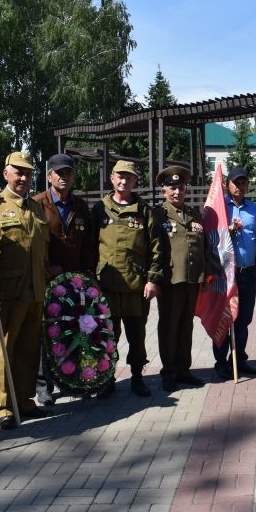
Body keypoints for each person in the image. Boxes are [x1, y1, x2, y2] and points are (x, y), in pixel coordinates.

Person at [0, 151, 50, 429]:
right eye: (18, 172)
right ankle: (4, 406)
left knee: (28, 350)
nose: (24, 178)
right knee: (4, 350)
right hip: (7, 294)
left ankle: (24, 400)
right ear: (6, 174)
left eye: (27, 173)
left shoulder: (36, 208)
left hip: (35, 292)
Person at [91, 160, 162, 398]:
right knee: (107, 336)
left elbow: (157, 248)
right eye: (120, 176)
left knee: (137, 335)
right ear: (112, 178)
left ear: (134, 181)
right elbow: (90, 246)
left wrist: (152, 280)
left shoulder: (144, 211)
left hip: (135, 287)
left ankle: (137, 377)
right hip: (107, 287)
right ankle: (107, 378)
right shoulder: (99, 209)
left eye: (129, 177)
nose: (124, 181)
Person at [32, 153, 95, 405]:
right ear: (49, 176)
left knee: (71, 331)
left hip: (74, 282)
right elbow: (34, 244)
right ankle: (43, 386)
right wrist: (47, 268)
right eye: (59, 173)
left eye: (68, 173)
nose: (63, 177)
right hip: (47, 280)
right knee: (45, 332)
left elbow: (88, 244)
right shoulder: (37, 203)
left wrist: (88, 275)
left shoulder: (80, 206)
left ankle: (69, 380)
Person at [154, 165, 214, 392]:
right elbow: (153, 248)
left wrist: (206, 272)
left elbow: (205, 245)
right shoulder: (157, 214)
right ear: (164, 191)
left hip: (192, 279)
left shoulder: (193, 213)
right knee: (169, 326)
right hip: (170, 280)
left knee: (185, 326)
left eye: (180, 187)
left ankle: (183, 369)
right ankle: (168, 372)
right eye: (172, 188)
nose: (177, 192)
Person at [212, 166, 256, 380]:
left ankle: (240, 359)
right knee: (225, 319)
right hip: (225, 274)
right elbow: (210, 238)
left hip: (247, 273)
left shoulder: (253, 209)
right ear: (227, 184)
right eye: (236, 182)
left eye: (244, 183)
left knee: (244, 319)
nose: (240, 186)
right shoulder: (219, 209)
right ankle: (222, 363)